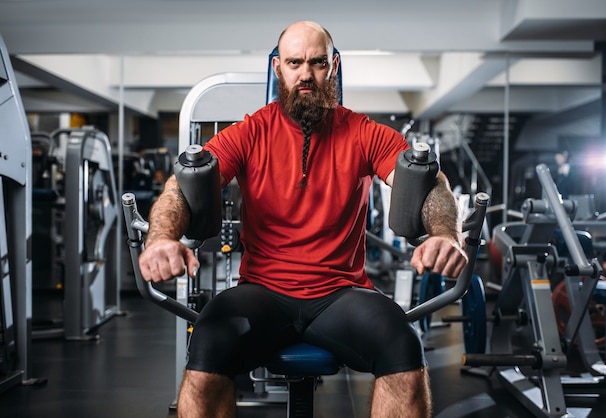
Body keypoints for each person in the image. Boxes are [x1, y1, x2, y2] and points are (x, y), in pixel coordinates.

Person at [139, 20, 467, 418]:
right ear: (278, 67)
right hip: (262, 292)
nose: (306, 74)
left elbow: (431, 185)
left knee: (402, 345)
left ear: (334, 66)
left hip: (341, 293)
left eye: (317, 62)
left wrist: (446, 235)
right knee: (208, 342)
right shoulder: (250, 131)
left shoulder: (364, 133)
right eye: (295, 63)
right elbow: (179, 189)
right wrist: (161, 238)